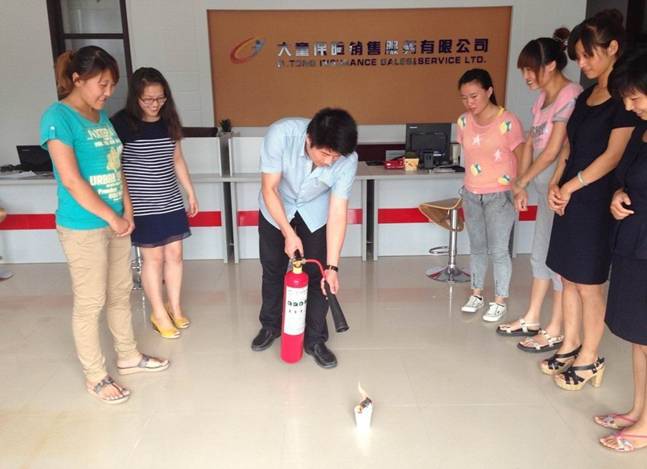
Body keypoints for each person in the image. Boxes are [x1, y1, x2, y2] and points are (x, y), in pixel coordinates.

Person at [40, 46, 169, 405]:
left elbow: (116, 167)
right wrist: (111, 216)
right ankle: (95, 375)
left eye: (112, 85)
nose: (108, 92)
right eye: (102, 84)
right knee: (90, 301)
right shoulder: (58, 117)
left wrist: (127, 210)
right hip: (84, 226)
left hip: (116, 222)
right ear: (77, 79)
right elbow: (71, 180)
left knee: (120, 293)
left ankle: (127, 355)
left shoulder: (101, 119)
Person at [542, 10, 637, 390]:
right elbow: (569, 146)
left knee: (589, 282)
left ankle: (590, 358)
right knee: (567, 276)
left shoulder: (622, 99)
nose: (582, 64)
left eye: (587, 55)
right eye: (578, 57)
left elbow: (613, 156)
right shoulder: (586, 97)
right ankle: (570, 344)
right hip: (570, 196)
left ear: (612, 48)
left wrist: (572, 186)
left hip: (596, 200)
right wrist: (555, 183)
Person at [250, 108, 358, 369]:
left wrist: (332, 267)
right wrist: (288, 233)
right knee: (273, 268)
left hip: (314, 209)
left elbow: (338, 212)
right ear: (309, 139)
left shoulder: (348, 159)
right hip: (277, 204)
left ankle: (315, 339)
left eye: (336, 157)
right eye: (325, 154)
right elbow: (269, 188)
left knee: (318, 277)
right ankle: (270, 325)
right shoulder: (281, 135)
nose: (330, 162)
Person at [496, 30, 583, 352]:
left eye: (530, 69)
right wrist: (521, 183)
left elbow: (554, 151)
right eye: (523, 70)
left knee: (558, 259)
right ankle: (533, 316)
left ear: (550, 65)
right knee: (540, 253)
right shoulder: (542, 99)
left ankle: (556, 328)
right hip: (541, 186)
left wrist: (521, 183)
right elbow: (531, 144)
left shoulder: (570, 95)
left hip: (558, 191)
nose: (526, 77)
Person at [111, 67, 197, 339]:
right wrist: (125, 207)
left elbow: (177, 158)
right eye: (147, 99)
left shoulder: (169, 120)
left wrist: (190, 192)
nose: (154, 104)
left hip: (170, 200)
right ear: (135, 97)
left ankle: (175, 307)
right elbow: (116, 167)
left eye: (160, 98)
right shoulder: (121, 124)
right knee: (154, 258)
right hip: (141, 204)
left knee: (175, 255)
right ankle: (158, 313)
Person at [597, 49, 647, 453]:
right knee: (638, 336)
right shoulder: (642, 130)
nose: (630, 107)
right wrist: (617, 194)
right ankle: (638, 410)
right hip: (634, 242)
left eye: (635, 98)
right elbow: (625, 177)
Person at [457, 69, 525, 322]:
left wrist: (520, 186)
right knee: (477, 247)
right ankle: (476, 294)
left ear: (489, 91)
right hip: (471, 193)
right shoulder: (463, 122)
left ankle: (500, 300)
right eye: (464, 98)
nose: (469, 102)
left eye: (474, 96)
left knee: (498, 250)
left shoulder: (508, 121)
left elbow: (522, 155)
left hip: (500, 194)